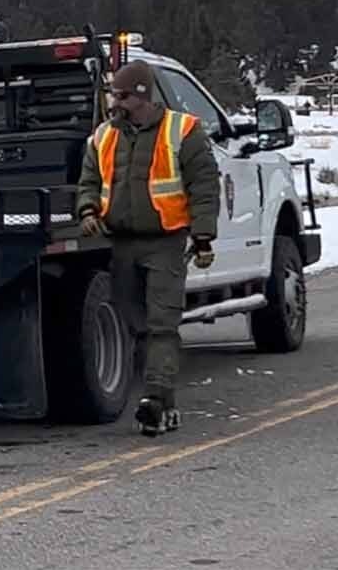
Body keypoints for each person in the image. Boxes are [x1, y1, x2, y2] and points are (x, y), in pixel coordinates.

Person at [75, 60, 220, 436]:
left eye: (121, 95)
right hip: (121, 244)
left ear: (142, 95)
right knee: (133, 321)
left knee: (161, 323)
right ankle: (162, 403)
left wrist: (203, 237)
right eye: (112, 94)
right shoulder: (103, 136)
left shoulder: (183, 131)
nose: (114, 102)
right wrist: (87, 209)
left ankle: (155, 400)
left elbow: (204, 187)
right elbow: (88, 180)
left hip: (165, 242)